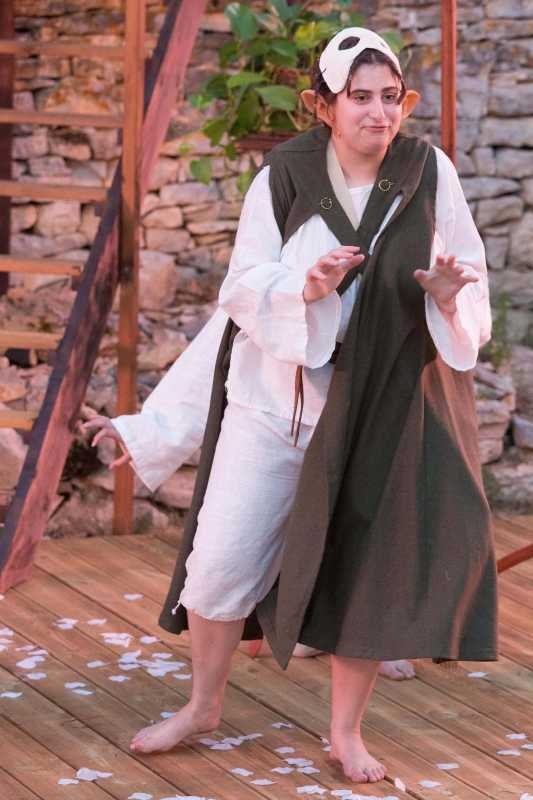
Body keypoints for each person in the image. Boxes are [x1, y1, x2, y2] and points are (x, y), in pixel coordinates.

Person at [82, 27, 497, 785]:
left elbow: (467, 275)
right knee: (220, 561)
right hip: (277, 404)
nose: (378, 113)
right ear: (323, 105)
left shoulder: (426, 169)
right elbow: (242, 287)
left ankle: (345, 733)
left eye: (390, 98)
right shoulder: (284, 174)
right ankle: (202, 705)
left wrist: (447, 296)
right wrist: (303, 288)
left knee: (363, 573)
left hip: (377, 409)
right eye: (359, 97)